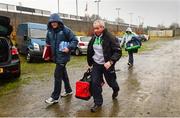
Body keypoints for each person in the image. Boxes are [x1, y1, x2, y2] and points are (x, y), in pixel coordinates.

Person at [87, 20, 122, 112]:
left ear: (103, 27)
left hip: (107, 65)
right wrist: (90, 63)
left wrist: (110, 62)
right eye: (94, 28)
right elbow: (90, 51)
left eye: (98, 28)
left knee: (111, 82)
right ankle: (97, 103)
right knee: (94, 83)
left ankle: (116, 89)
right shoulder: (94, 38)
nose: (96, 30)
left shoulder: (110, 37)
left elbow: (118, 51)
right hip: (96, 65)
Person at [45, 13, 78, 104]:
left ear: (59, 21)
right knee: (63, 74)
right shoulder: (49, 31)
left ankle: (55, 97)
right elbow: (47, 44)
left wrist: (69, 48)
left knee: (57, 75)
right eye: (52, 22)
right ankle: (68, 90)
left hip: (63, 57)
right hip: (56, 57)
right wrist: (47, 55)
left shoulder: (65, 30)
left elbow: (75, 40)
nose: (53, 23)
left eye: (55, 21)